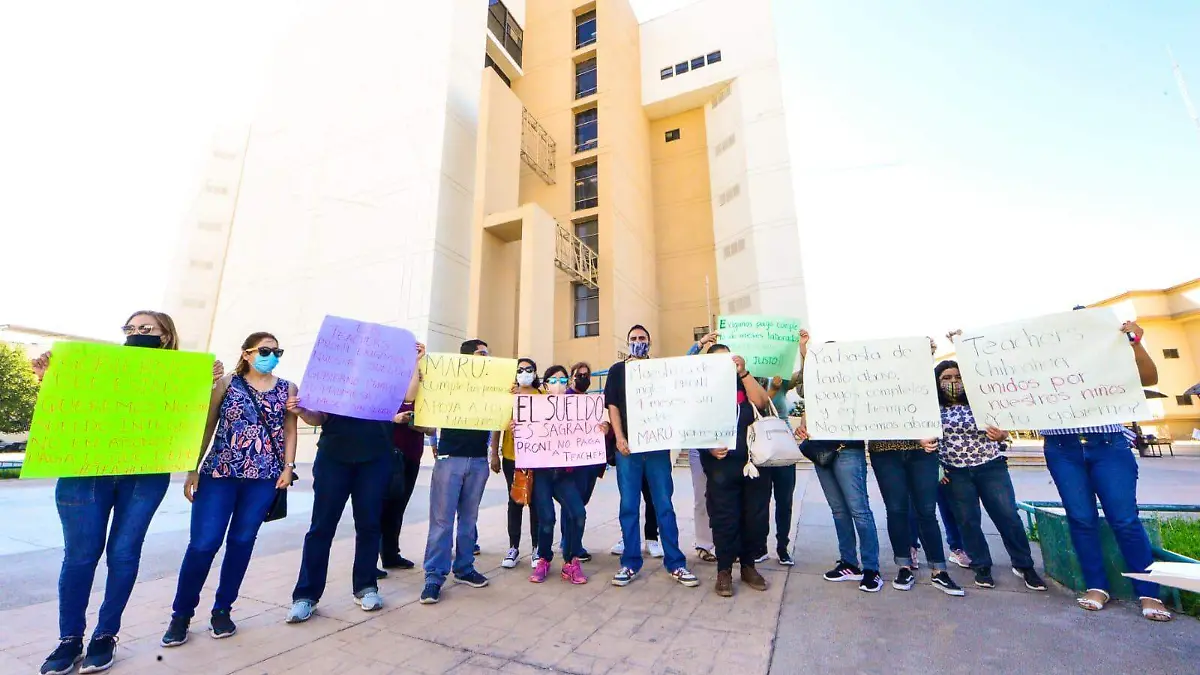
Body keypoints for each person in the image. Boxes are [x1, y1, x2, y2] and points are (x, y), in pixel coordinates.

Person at [33, 311, 224, 675]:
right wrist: (50, 377)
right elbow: (70, 408)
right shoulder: (103, 366)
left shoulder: (183, 377)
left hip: (144, 477)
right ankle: (69, 639)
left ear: (166, 336)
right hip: (85, 474)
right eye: (130, 329)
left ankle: (105, 635)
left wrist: (209, 385)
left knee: (123, 554)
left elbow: (196, 423)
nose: (136, 334)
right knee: (80, 556)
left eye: (146, 329)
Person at [994, 318, 1171, 621]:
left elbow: (1149, 376)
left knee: (1125, 519)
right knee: (1080, 518)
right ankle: (1096, 586)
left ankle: (1149, 592)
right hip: (1062, 448)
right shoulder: (1039, 365)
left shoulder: (1108, 357)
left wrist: (1135, 342)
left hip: (1108, 444)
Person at [162, 332, 297, 647]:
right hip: (219, 474)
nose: (272, 355)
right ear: (248, 353)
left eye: (278, 351)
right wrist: (192, 468)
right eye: (266, 350)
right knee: (203, 544)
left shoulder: (287, 388)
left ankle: (222, 609)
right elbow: (207, 425)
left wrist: (288, 469)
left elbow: (289, 430)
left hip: (264, 477)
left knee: (241, 542)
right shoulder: (227, 384)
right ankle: (181, 614)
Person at [284, 344, 416, 622]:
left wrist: (415, 360)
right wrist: (304, 413)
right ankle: (306, 595)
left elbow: (410, 395)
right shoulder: (332, 379)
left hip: (375, 459)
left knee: (369, 525)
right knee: (321, 527)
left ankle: (366, 586)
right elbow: (319, 417)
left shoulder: (386, 381)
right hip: (334, 458)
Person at [921, 360, 1046, 594]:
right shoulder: (931, 410)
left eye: (957, 377)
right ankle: (981, 566)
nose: (953, 382)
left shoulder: (983, 403)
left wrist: (1001, 435)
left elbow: (1004, 431)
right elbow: (926, 442)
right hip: (954, 472)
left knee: (1007, 516)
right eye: (946, 378)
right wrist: (937, 469)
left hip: (990, 468)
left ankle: (1024, 565)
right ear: (937, 383)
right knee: (967, 520)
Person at [605, 324, 700, 588]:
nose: (638, 342)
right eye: (633, 338)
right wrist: (620, 437)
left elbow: (676, 399)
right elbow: (612, 407)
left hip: (657, 449)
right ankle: (630, 562)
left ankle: (676, 563)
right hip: (628, 450)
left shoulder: (660, 370)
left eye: (642, 338)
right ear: (628, 343)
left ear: (649, 343)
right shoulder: (617, 371)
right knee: (629, 506)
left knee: (664, 505)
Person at [867, 337, 961, 593]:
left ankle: (939, 570)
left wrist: (931, 353)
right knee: (896, 509)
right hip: (886, 453)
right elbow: (874, 420)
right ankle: (904, 567)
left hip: (922, 452)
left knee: (926, 510)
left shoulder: (925, 383)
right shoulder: (871, 386)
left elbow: (949, 385)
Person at [419, 339, 500, 605]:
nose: (487, 357)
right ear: (466, 358)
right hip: (450, 457)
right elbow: (430, 411)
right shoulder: (449, 383)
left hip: (478, 460)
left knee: (469, 519)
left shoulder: (492, 387)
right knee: (442, 520)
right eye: (482, 353)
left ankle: (465, 568)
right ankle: (434, 575)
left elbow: (500, 416)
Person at [699, 344, 773, 596]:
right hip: (720, 467)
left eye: (728, 359)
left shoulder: (744, 383)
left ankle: (749, 566)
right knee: (724, 518)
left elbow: (762, 402)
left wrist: (743, 373)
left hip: (752, 465)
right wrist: (708, 448)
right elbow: (690, 424)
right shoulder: (701, 390)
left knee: (754, 517)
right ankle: (724, 571)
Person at [528, 365, 592, 584]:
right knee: (546, 519)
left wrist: (600, 427)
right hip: (543, 474)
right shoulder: (534, 408)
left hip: (565, 475)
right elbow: (526, 435)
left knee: (578, 513)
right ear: (545, 385)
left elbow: (588, 431)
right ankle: (544, 559)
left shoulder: (576, 408)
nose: (559, 384)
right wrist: (517, 427)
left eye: (563, 380)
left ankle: (571, 561)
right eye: (553, 380)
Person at [380, 344, 432, 572]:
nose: (417, 378)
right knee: (380, 507)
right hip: (388, 456)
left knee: (399, 506)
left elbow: (431, 430)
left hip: (412, 456)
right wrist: (395, 419)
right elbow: (375, 418)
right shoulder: (385, 393)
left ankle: (391, 553)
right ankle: (370, 559)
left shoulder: (425, 399)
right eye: (414, 374)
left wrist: (420, 426)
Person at [492, 358, 541, 569]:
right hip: (512, 456)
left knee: (537, 502)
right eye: (520, 370)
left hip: (538, 457)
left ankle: (537, 548)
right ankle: (513, 547)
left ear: (535, 373)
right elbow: (497, 425)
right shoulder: (508, 397)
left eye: (528, 370)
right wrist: (494, 453)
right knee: (515, 501)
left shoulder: (543, 396)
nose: (524, 373)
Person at [683, 331, 721, 563]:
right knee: (702, 497)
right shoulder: (695, 380)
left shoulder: (731, 381)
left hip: (726, 445)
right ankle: (704, 544)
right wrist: (700, 343)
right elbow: (685, 364)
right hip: (699, 446)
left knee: (725, 498)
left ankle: (724, 542)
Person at [565, 362, 601, 561]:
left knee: (582, 502)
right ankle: (571, 544)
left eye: (587, 375)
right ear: (572, 377)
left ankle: (573, 541)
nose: (584, 378)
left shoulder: (591, 402)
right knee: (572, 504)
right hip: (571, 465)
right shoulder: (564, 399)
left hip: (589, 463)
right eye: (580, 375)